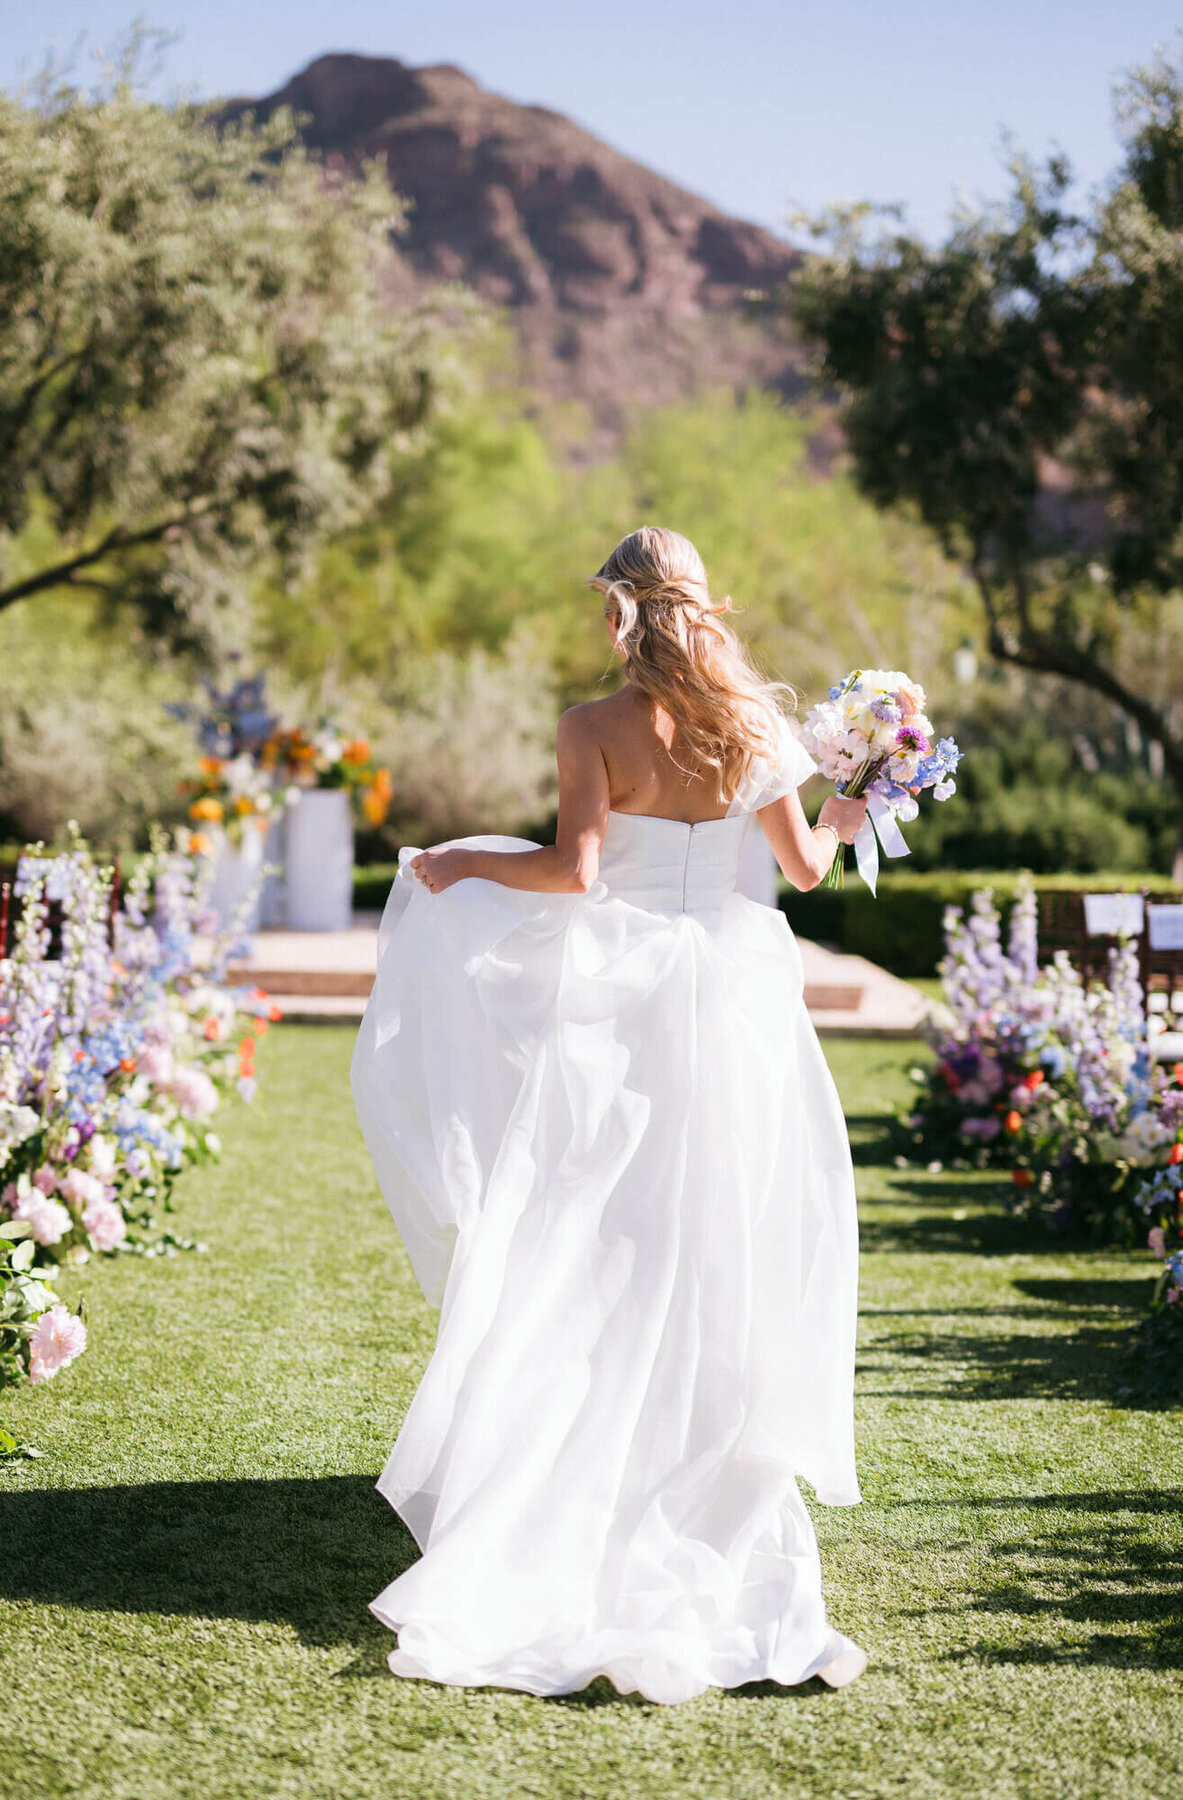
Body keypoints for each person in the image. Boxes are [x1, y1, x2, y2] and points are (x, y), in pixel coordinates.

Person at [351, 526, 870, 1705]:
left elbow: (575, 875)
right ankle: (710, 1502)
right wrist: (850, 806)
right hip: (737, 1008)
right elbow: (803, 877)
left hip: (621, 1011)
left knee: (593, 1245)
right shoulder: (758, 730)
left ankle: (568, 1494)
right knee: (720, 1251)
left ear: (617, 614)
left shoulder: (592, 728)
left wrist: (461, 870)